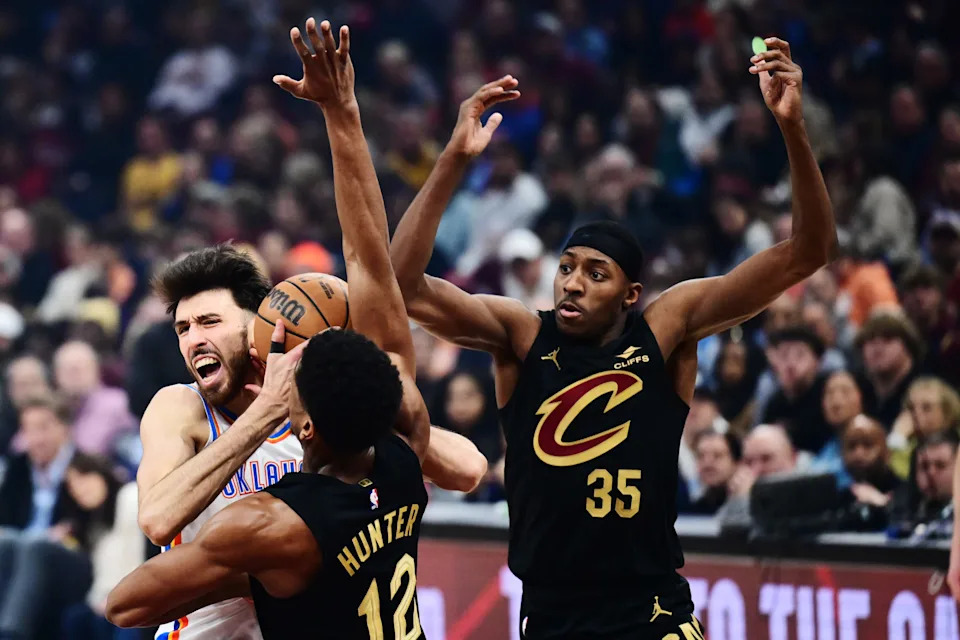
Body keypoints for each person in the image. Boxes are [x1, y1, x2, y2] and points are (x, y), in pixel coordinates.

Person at [390, 37, 833, 638]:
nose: (572, 284)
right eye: (567, 267)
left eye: (596, 274)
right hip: (551, 613)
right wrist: (453, 160)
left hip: (649, 611)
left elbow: (807, 253)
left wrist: (793, 128)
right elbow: (404, 285)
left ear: (630, 293)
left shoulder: (667, 328)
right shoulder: (523, 337)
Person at [106, 19, 482, 637]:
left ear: (261, 325)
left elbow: (465, 468)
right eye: (180, 329)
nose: (192, 338)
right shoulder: (180, 407)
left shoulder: (333, 407)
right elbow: (158, 520)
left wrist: (363, 398)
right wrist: (265, 416)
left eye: (208, 321)